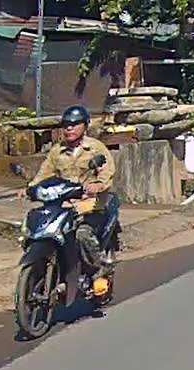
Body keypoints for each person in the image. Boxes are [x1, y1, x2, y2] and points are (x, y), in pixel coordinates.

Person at [24, 105, 119, 304]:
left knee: (82, 234)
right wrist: (31, 188)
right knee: (38, 228)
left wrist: (97, 185)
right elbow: (44, 173)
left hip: (90, 205)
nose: (69, 128)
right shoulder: (57, 151)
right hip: (63, 205)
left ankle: (99, 269)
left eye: (75, 124)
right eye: (66, 125)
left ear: (85, 126)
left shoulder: (96, 148)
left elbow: (107, 172)